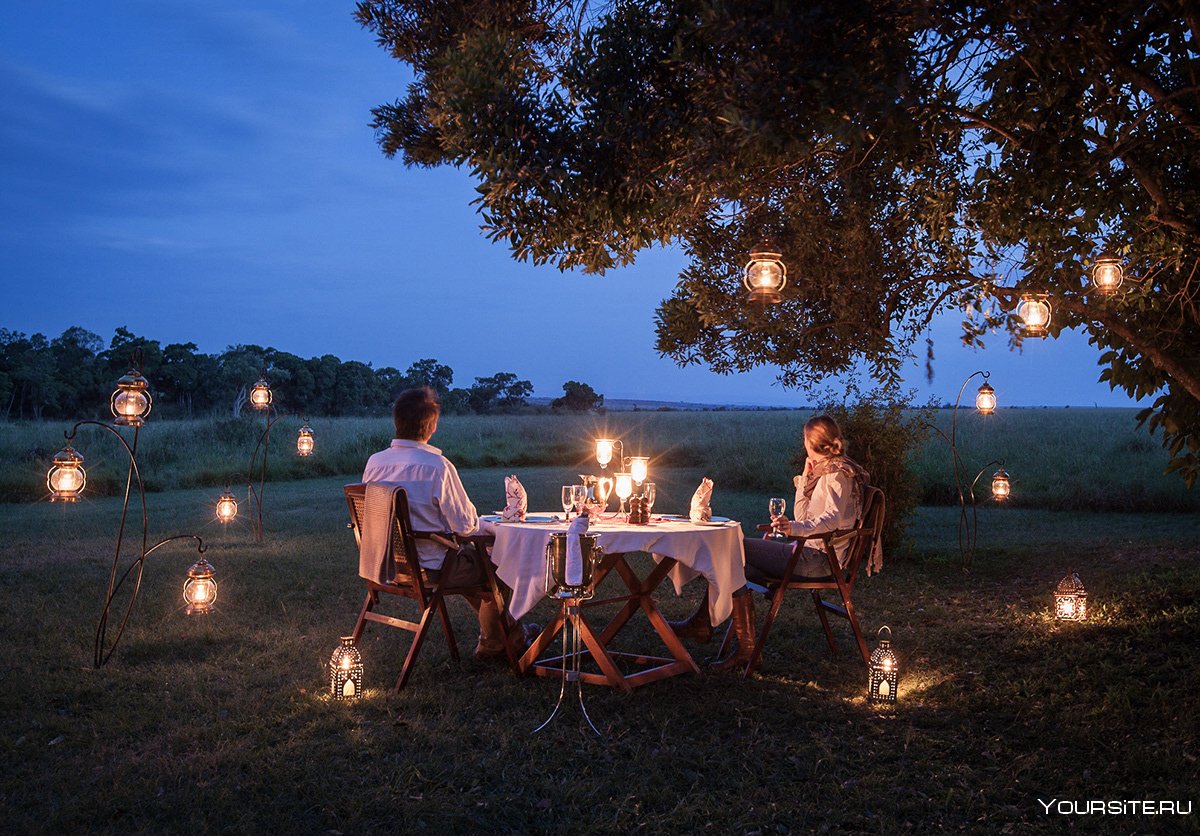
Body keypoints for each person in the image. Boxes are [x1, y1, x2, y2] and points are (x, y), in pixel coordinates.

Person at [669, 414, 869, 672]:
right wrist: (804, 481)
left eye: (805, 439)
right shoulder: (823, 471)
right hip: (807, 553)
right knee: (733, 566)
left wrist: (794, 528)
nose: (803, 443)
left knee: (733, 546)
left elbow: (829, 520)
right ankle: (735, 643)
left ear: (812, 442)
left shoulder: (837, 474)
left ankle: (706, 627)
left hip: (818, 560)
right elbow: (803, 515)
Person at [362, 386, 524, 660]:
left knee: (478, 572)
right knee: (499, 567)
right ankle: (501, 642)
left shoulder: (375, 463)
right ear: (433, 426)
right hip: (431, 569)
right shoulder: (437, 466)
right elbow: (466, 526)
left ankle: (504, 638)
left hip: (386, 564)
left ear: (397, 421)